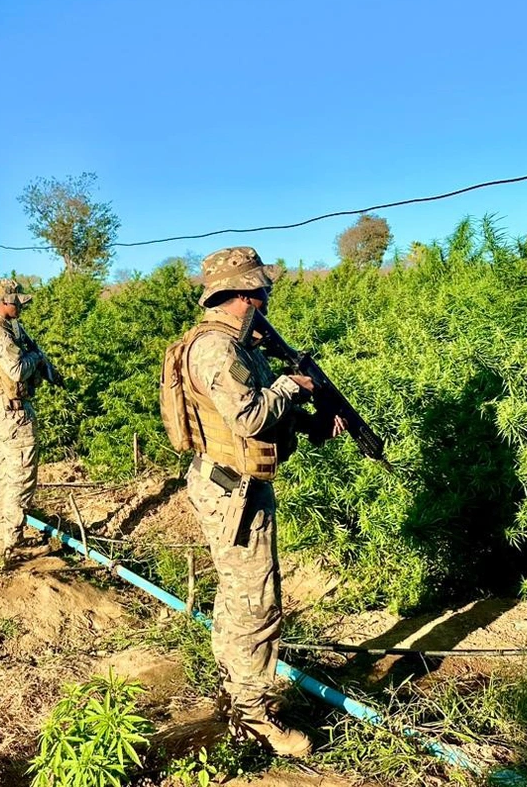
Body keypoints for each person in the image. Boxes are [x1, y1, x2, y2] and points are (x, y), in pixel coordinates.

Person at [175, 247, 344, 757]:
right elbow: (249, 419)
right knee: (257, 604)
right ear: (244, 295)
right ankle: (253, 719)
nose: (267, 302)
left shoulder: (232, 344)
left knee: (237, 597)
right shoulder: (216, 349)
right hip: (234, 492)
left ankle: (236, 691)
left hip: (231, 484)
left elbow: (254, 415)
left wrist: (310, 420)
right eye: (262, 293)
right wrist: (292, 386)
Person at [0, 279, 59, 565]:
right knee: (20, 475)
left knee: (7, 474)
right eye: (17, 301)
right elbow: (17, 370)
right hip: (13, 411)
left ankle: (4, 538)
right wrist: (35, 356)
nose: (21, 306)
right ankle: (11, 545)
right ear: (5, 301)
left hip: (1, 409)